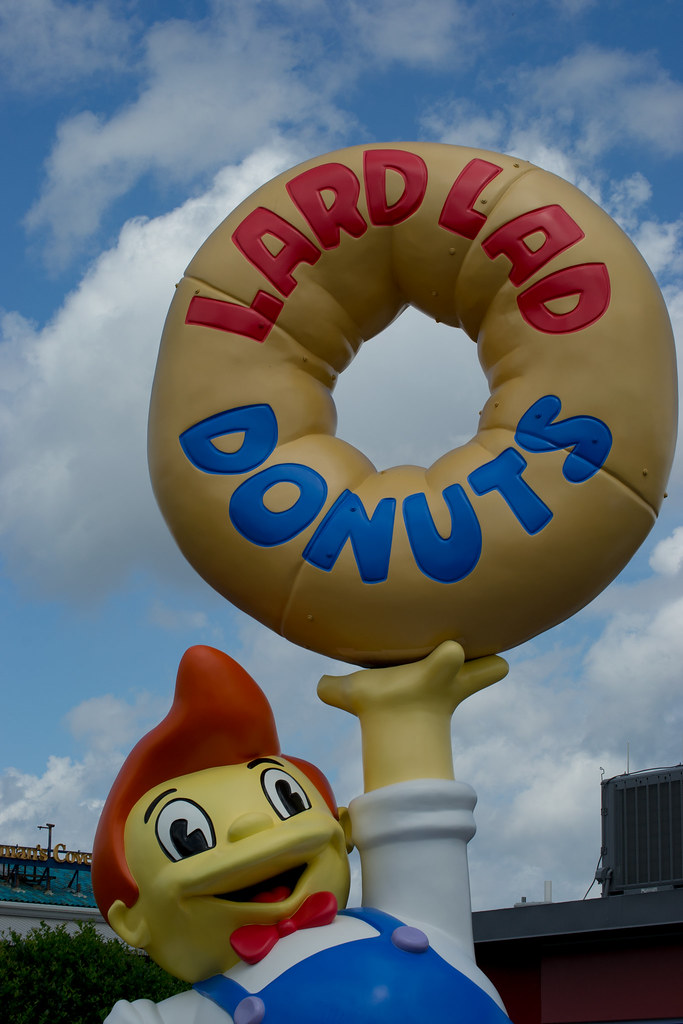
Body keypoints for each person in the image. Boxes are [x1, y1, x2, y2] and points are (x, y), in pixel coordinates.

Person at [93, 642, 510, 1023]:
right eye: (188, 836)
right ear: (132, 921)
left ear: (342, 829)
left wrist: (403, 715)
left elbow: (418, 837)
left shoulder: (411, 921)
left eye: (286, 799)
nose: (250, 826)